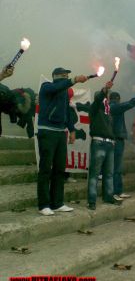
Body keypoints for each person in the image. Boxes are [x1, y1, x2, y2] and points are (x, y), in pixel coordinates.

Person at [37, 67, 87, 215]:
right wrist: (74, 80)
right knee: (46, 169)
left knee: (59, 169)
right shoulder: (47, 87)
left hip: (60, 133)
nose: (67, 77)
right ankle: (43, 205)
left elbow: (66, 112)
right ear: (57, 77)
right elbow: (58, 86)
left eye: (68, 76)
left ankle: (57, 203)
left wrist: (71, 130)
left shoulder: (64, 92)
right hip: (47, 131)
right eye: (64, 76)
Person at [87, 81, 121, 210]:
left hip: (109, 143)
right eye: (105, 98)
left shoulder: (108, 113)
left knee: (109, 173)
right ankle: (92, 200)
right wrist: (105, 89)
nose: (106, 100)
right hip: (98, 142)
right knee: (95, 174)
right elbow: (98, 99)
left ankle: (108, 196)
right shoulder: (95, 108)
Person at [109, 91, 135, 199]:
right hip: (116, 139)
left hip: (116, 139)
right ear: (117, 99)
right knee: (116, 168)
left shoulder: (112, 107)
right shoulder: (114, 107)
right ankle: (115, 192)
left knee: (117, 168)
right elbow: (128, 104)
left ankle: (118, 191)